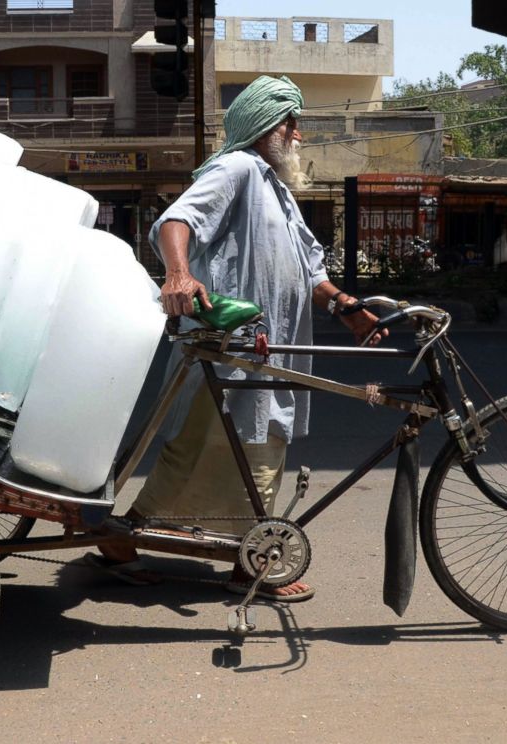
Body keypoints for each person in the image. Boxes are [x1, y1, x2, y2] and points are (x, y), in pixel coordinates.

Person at [91, 75, 386, 601]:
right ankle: (250, 563)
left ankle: (126, 535)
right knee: (258, 449)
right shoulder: (238, 169)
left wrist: (346, 307)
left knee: (202, 449)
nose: (298, 135)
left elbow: (311, 270)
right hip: (236, 349)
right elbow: (176, 221)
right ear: (269, 126)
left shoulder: (278, 190)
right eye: (291, 123)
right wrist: (178, 274)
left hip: (262, 351)